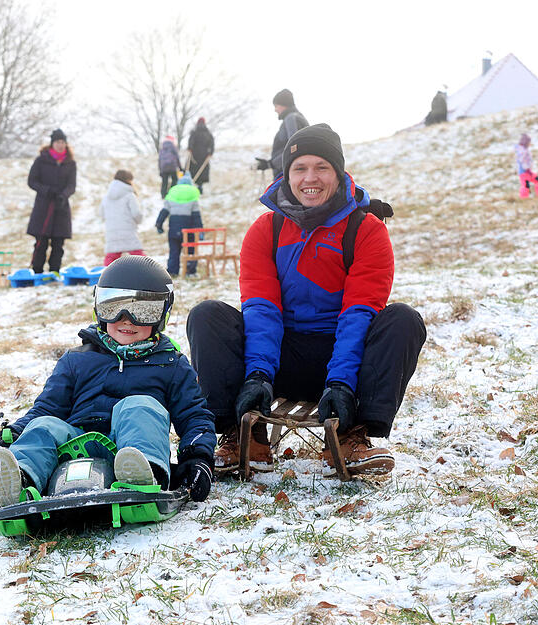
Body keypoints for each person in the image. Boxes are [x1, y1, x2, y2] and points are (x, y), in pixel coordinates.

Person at [185, 124, 426, 477]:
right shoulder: (266, 230)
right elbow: (262, 308)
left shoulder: (366, 230)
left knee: (403, 320)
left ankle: (351, 436)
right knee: (207, 314)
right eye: (300, 168)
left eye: (321, 167)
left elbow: (359, 312)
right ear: (287, 175)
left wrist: (342, 383)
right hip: (281, 356)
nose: (309, 178)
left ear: (338, 172)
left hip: (345, 360)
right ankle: (243, 435)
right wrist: (257, 376)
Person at [0, 256, 216, 507]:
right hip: (74, 447)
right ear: (99, 308)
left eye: (142, 311)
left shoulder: (171, 365)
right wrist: (17, 431)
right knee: (45, 426)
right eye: (113, 308)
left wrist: (197, 459)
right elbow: (48, 407)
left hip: (130, 450)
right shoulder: (76, 359)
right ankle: (20, 481)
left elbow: (194, 416)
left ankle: (144, 476)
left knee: (139, 406)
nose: (127, 319)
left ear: (161, 315)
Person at [26, 128, 77, 274]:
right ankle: (37, 271)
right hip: (43, 206)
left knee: (58, 243)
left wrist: (64, 195)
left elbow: (72, 185)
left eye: (62, 142)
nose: (60, 145)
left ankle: (55, 271)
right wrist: (46, 190)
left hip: (61, 206)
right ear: (52, 143)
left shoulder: (70, 163)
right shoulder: (41, 160)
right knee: (41, 241)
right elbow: (32, 181)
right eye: (57, 142)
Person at [156, 173, 202, 276]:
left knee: (174, 251)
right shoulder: (192, 194)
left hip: (174, 229)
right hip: (188, 231)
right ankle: (190, 271)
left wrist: (159, 225)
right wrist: (200, 231)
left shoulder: (172, 192)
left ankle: (172, 271)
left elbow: (164, 211)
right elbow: (196, 216)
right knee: (190, 250)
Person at [99, 170, 145, 266]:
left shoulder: (106, 197)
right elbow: (136, 213)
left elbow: (102, 214)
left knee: (111, 256)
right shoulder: (129, 195)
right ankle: (147, 273)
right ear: (128, 180)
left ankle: (106, 277)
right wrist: (139, 221)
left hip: (111, 231)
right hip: (127, 229)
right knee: (138, 255)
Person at [267, 89, 309, 180]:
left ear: (284, 104)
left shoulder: (291, 119)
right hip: (290, 171)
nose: (275, 110)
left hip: (287, 173)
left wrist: (271, 164)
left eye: (276, 106)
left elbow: (295, 147)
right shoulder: (297, 117)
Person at [515, 133, 538, 198]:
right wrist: (526, 167)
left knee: (537, 180)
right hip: (523, 172)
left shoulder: (525, 150)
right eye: (529, 142)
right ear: (525, 142)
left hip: (528, 171)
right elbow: (522, 161)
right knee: (526, 185)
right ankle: (524, 198)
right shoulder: (522, 151)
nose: (530, 144)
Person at [187, 118, 214, 194]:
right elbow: (211, 143)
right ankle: (200, 188)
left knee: (193, 171)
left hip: (195, 156)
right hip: (204, 156)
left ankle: (191, 186)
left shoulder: (194, 132)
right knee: (202, 172)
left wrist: (190, 148)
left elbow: (191, 141)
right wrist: (210, 152)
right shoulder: (208, 133)